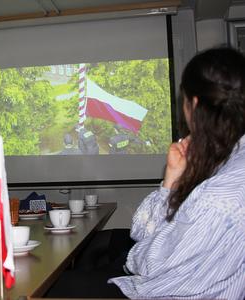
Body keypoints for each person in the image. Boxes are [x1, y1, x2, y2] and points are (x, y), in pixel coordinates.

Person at [47, 47, 245, 299]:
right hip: (159, 286)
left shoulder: (218, 196)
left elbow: (147, 264)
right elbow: (141, 232)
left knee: (55, 287)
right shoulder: (226, 164)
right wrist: (172, 180)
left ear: (193, 104)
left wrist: (141, 250)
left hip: (157, 292)